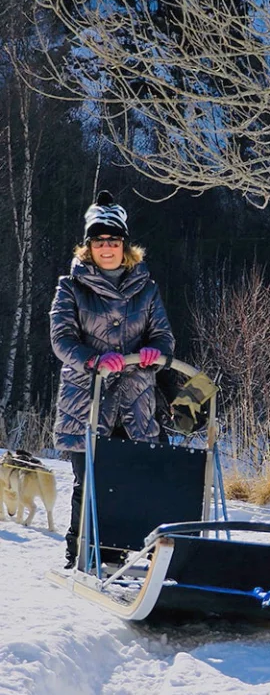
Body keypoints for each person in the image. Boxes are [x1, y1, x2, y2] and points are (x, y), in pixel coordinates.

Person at [50, 190, 175, 568]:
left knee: (138, 480)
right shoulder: (70, 287)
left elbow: (164, 336)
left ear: (125, 246)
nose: (107, 248)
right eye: (100, 242)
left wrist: (156, 353)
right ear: (89, 247)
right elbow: (61, 339)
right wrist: (94, 360)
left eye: (114, 241)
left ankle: (127, 554)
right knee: (88, 482)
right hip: (86, 399)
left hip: (136, 399)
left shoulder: (147, 288)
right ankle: (80, 555)